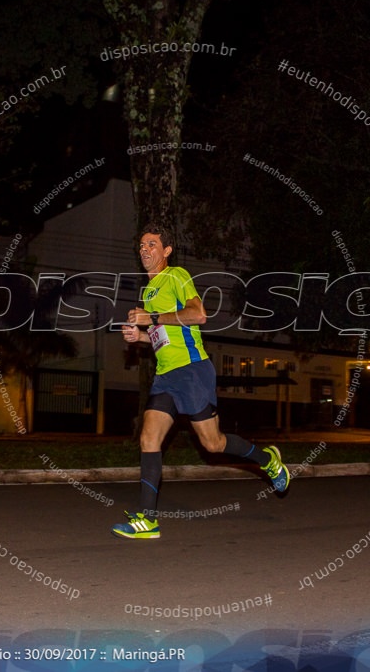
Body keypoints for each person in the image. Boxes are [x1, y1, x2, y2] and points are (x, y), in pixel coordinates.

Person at [110, 223, 290, 539]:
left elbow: (198, 315)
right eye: (141, 245)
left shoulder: (176, 276)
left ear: (166, 251)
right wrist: (140, 336)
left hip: (192, 371)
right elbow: (164, 335)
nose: (145, 249)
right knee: (149, 439)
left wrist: (150, 318)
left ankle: (268, 461)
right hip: (166, 375)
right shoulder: (149, 291)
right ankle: (148, 520)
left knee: (213, 444)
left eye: (152, 244)